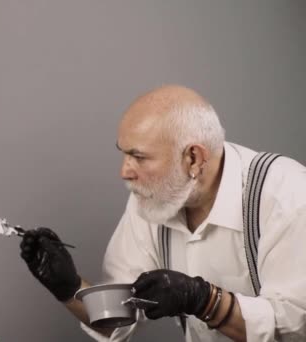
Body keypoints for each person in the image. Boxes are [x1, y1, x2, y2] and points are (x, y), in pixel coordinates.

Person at [20, 85, 306, 341]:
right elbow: (119, 318)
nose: (124, 172)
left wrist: (204, 301)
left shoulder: (286, 195)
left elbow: (297, 325)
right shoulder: (154, 199)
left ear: (193, 158)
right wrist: (69, 288)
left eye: (139, 157)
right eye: (124, 154)